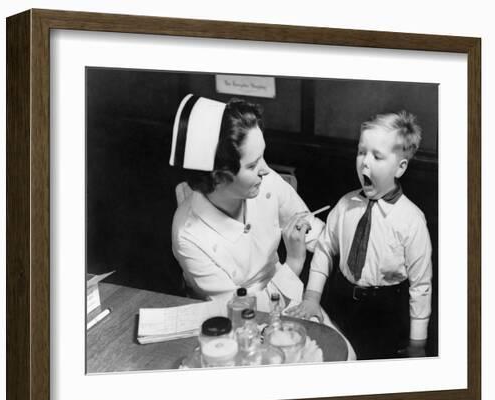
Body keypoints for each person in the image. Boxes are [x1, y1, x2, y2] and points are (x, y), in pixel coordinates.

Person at [286, 111, 433, 360]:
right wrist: (312, 297)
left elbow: (421, 286)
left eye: (377, 156)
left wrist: (417, 343)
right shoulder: (344, 205)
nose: (365, 162)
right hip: (339, 301)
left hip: (384, 311)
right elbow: (324, 249)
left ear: (400, 167)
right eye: (361, 152)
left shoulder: (412, 220)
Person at [170, 94, 323, 314]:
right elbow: (240, 311)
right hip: (235, 321)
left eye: (263, 157)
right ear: (219, 177)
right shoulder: (188, 236)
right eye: (252, 165)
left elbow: (316, 233)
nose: (266, 170)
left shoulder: (265, 182)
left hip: (287, 297)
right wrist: (294, 262)